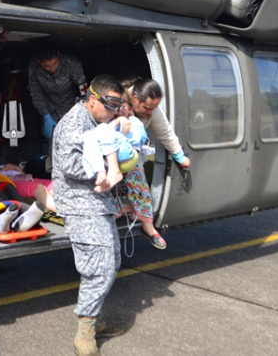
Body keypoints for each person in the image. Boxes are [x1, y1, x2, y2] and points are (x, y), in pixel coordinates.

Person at [52, 74, 128, 356]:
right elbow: (71, 164)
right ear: (93, 100)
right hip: (81, 205)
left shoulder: (96, 122)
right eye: (111, 105)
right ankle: (85, 331)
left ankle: (94, 319)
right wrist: (108, 167)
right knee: (99, 268)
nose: (115, 112)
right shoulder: (74, 123)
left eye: (119, 106)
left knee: (112, 261)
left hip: (98, 203)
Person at [118, 77, 191, 250]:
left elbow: (165, 132)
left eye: (154, 108)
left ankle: (147, 225)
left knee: (138, 179)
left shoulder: (152, 111)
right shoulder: (117, 101)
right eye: (146, 108)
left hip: (130, 154)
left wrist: (179, 155)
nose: (150, 112)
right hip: (107, 151)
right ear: (135, 98)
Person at [28, 49, 87, 138]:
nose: (52, 68)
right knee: (54, 139)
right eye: (47, 66)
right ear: (39, 61)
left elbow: (83, 88)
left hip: (71, 105)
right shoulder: (34, 66)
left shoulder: (71, 63)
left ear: (58, 55)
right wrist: (46, 115)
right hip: (49, 106)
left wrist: (84, 109)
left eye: (55, 64)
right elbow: (35, 92)